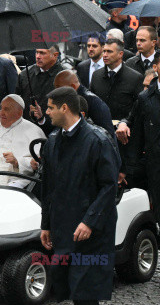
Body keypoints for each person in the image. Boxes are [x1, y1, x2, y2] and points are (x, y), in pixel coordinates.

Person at [41, 86, 121, 305]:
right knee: (73, 290)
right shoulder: (53, 141)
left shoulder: (98, 140)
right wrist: (45, 224)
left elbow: (109, 187)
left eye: (50, 107)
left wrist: (89, 222)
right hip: (64, 229)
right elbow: (48, 187)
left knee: (84, 292)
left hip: (92, 233)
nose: (46, 112)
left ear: (65, 108)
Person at [117, 52, 160, 222]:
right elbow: (135, 130)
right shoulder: (145, 98)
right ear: (155, 67)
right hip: (155, 164)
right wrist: (127, 169)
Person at [90, 38, 143, 121]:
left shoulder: (135, 78)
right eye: (104, 51)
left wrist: (125, 122)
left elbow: (139, 107)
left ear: (120, 54)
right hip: (100, 128)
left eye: (109, 51)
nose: (105, 55)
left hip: (125, 129)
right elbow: (91, 103)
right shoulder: (96, 75)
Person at [15, 45, 64, 133]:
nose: (37, 56)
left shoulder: (65, 76)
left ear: (55, 55)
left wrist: (43, 119)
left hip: (55, 132)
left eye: (42, 53)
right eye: (37, 52)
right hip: (27, 131)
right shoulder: (24, 75)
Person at [53, 70, 114, 138]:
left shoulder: (94, 102)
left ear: (72, 87)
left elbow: (108, 136)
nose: (56, 92)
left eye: (59, 88)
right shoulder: (67, 99)